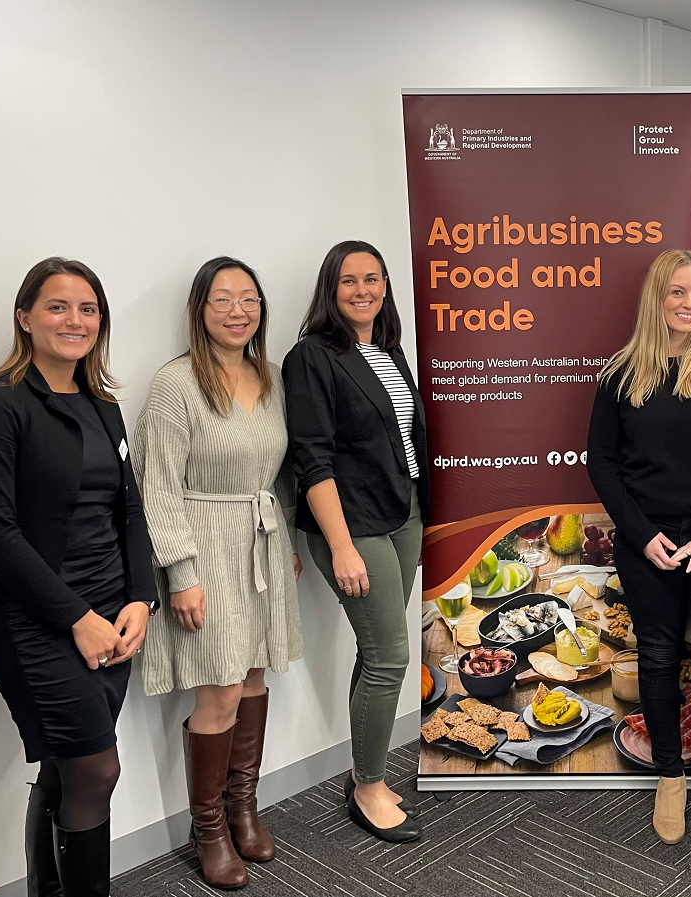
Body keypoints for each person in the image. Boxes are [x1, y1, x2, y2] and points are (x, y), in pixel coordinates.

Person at [0, 258, 156, 897]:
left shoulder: (104, 407)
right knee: (96, 771)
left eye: (88, 309)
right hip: (32, 613)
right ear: (25, 317)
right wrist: (77, 618)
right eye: (57, 307)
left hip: (111, 610)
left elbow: (130, 508)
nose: (75, 320)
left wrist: (141, 597)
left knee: (68, 768)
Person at [134, 257, 303, 889]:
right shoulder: (176, 383)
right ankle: (207, 828)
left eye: (249, 298)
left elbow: (281, 469)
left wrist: (283, 532)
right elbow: (159, 485)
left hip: (262, 543)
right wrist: (179, 571)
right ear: (199, 310)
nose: (238, 310)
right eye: (222, 299)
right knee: (220, 688)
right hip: (204, 548)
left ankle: (243, 807)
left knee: (255, 672)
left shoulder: (274, 375)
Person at [587, 249, 691, 847]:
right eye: (678, 292)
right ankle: (670, 777)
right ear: (656, 297)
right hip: (646, 540)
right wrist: (642, 534)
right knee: (657, 660)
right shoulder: (619, 373)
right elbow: (602, 463)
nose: (690, 304)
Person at [283, 240, 428, 844]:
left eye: (373, 279)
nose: (362, 290)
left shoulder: (389, 351)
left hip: (404, 515)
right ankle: (369, 785)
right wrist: (340, 546)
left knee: (379, 652)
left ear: (386, 287)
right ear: (330, 290)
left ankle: (360, 774)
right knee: (393, 655)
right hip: (354, 525)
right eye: (349, 281)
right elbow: (311, 458)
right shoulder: (311, 358)